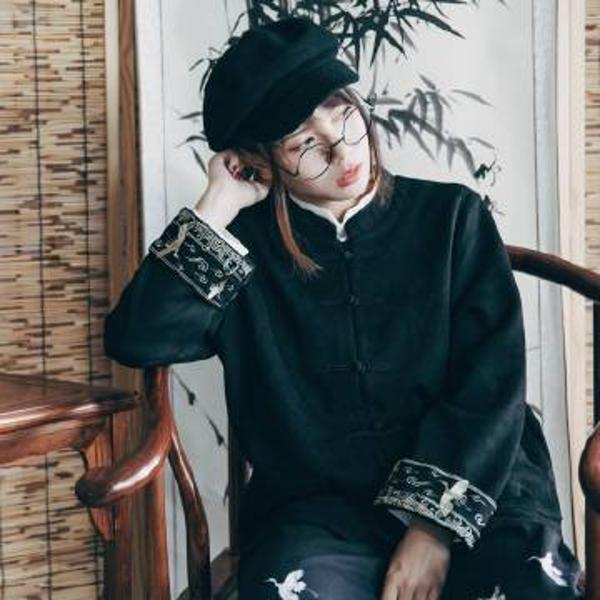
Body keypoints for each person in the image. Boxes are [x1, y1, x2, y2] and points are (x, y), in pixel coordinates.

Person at [104, 16, 585, 600]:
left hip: (481, 492)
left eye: (341, 113)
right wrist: (216, 207)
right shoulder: (241, 248)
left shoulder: (453, 218)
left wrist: (430, 528)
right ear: (261, 160)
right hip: (320, 516)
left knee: (530, 582)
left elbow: (490, 384)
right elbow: (138, 338)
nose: (339, 148)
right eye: (303, 144)